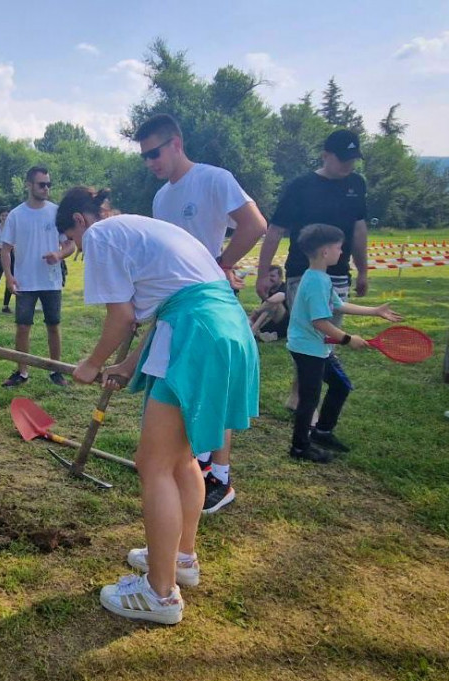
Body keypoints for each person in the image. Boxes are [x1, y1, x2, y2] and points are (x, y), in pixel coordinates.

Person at [58, 186, 259, 625]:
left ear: (78, 222)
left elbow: (123, 317)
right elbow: (170, 304)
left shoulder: (101, 234)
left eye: (70, 241)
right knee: (182, 459)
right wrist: (128, 364)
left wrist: (92, 363)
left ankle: (160, 593)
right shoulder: (144, 230)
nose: (77, 250)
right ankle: (181, 558)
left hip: (195, 333)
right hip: (221, 328)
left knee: (154, 465)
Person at [136, 113, 267, 514]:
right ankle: (188, 462)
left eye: (154, 152)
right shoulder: (161, 197)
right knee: (179, 386)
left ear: (176, 143)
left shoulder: (214, 178)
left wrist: (221, 263)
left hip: (208, 303)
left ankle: (220, 477)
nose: (150, 162)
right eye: (144, 157)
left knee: (214, 386)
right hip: (177, 306)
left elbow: (255, 224)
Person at [257, 129, 369, 410]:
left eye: (353, 159)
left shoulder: (357, 184)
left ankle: (302, 394)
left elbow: (359, 230)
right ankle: (305, 399)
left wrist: (363, 270)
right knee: (309, 334)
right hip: (301, 274)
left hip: (339, 274)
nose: (348, 165)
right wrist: (261, 273)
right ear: (325, 155)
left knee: (325, 337)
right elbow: (275, 231)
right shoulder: (301, 186)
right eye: (343, 159)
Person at [286, 223, 401, 463]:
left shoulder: (320, 278)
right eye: (339, 248)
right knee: (310, 399)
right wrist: (349, 339)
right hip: (308, 349)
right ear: (325, 251)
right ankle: (299, 447)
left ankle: (322, 432)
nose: (342, 253)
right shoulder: (316, 282)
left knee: (340, 386)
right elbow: (320, 322)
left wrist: (375, 311)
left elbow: (338, 305)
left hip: (317, 347)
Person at [0, 166, 75, 388]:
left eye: (48, 184)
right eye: (42, 184)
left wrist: (59, 254)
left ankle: (56, 370)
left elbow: (70, 244)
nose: (46, 188)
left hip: (51, 281)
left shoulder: (56, 212)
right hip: (25, 281)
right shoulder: (16, 215)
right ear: (29, 185)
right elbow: (5, 249)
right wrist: (9, 277)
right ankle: (22, 372)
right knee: (23, 326)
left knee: (54, 325)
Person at [250, 265, 289, 341]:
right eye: (267, 276)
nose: (269, 279)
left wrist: (256, 312)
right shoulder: (269, 289)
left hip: (284, 323)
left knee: (275, 304)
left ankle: (252, 327)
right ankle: (254, 330)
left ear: (280, 277)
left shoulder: (285, 287)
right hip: (269, 322)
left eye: (272, 276)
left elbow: (279, 297)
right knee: (270, 307)